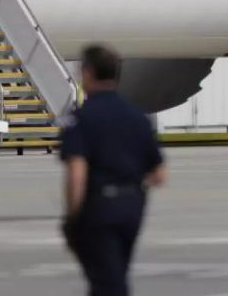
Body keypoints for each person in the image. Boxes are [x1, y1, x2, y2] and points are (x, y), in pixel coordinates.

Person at [60, 44, 167, 296]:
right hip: (132, 208)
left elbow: (76, 171)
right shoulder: (137, 116)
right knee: (115, 275)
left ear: (88, 73)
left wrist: (73, 217)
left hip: (99, 208)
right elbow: (159, 174)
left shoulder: (82, 118)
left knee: (106, 283)